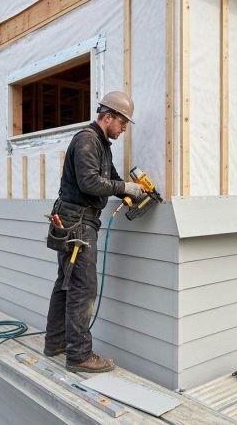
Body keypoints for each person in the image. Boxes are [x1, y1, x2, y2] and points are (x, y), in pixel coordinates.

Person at [44, 91, 145, 372]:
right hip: (77, 222)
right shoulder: (87, 140)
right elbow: (90, 183)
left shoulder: (102, 144)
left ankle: (55, 343)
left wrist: (132, 189)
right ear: (107, 116)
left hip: (75, 219)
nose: (124, 128)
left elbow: (109, 178)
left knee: (66, 283)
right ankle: (78, 356)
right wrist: (124, 188)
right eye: (123, 122)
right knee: (82, 288)